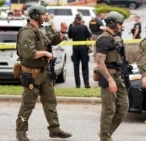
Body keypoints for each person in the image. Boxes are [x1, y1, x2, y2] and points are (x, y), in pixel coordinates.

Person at [15, 4, 72, 141]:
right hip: (31, 75)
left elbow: (51, 41)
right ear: (35, 15)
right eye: (43, 14)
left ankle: (55, 130)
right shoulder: (27, 32)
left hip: (44, 73)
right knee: (28, 104)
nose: (45, 16)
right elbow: (29, 54)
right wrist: (45, 53)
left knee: (50, 102)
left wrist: (62, 33)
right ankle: (20, 131)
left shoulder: (41, 29)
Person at [95, 11, 129, 141]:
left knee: (123, 107)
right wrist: (110, 80)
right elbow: (99, 62)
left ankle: (106, 132)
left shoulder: (116, 37)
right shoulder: (104, 40)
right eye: (120, 23)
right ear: (112, 23)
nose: (121, 26)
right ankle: (105, 137)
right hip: (108, 77)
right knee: (109, 110)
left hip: (119, 76)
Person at [68, 14, 92, 88]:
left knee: (76, 67)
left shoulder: (72, 27)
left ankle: (77, 85)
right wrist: (90, 46)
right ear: (80, 20)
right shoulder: (84, 27)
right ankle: (86, 84)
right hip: (83, 49)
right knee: (85, 67)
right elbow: (89, 35)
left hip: (75, 49)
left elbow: (69, 36)